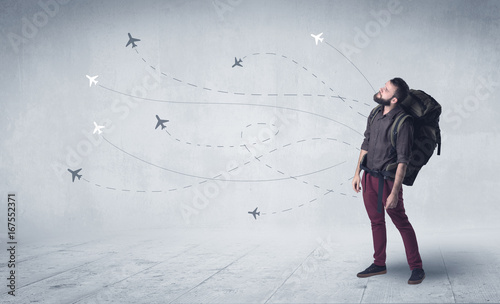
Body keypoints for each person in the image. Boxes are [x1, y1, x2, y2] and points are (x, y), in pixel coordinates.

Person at [352, 77, 425, 285]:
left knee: (401, 222)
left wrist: (394, 192)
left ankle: (417, 267)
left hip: (388, 182)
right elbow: (365, 143)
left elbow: (403, 161)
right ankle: (379, 263)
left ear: (394, 100)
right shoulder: (375, 113)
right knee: (376, 222)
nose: (381, 89)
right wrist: (357, 173)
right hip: (368, 178)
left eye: (386, 90)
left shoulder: (404, 122)